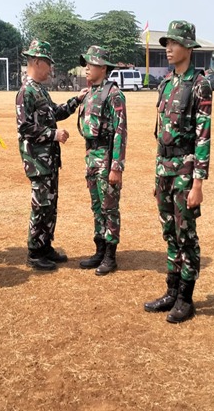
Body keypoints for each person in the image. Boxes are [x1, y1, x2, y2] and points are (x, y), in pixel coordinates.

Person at [144, 20, 212, 324]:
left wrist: (198, 182)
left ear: (188, 47)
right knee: (169, 233)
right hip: (165, 168)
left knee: (186, 234)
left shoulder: (200, 85)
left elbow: (203, 136)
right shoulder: (166, 83)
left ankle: (186, 297)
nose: (168, 49)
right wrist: (157, 176)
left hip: (185, 169)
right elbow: (160, 134)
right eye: (166, 44)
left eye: (173, 43)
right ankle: (171, 290)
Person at [15, 40, 86, 271]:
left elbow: (55, 112)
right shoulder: (26, 92)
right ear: (36, 61)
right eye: (48, 63)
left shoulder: (40, 90)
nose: (50, 69)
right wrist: (53, 134)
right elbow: (24, 127)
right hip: (37, 160)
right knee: (40, 204)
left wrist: (76, 100)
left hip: (49, 160)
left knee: (50, 204)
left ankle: (45, 246)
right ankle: (35, 252)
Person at [75, 46, 127, 275]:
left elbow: (120, 132)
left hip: (106, 158)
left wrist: (116, 167)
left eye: (91, 64)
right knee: (97, 206)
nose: (86, 68)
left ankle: (110, 255)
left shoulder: (113, 94)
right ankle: (99, 249)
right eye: (86, 63)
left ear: (103, 68)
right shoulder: (90, 92)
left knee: (109, 208)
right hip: (91, 157)